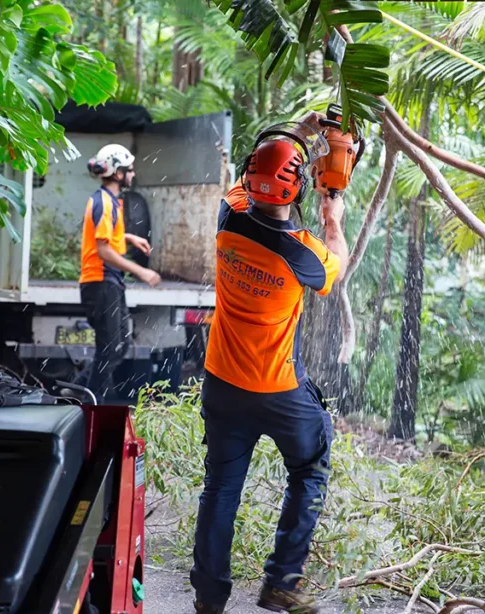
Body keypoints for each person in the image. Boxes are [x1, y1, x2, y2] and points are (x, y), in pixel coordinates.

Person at [191, 114, 348, 614]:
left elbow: (252, 178)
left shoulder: (229, 216)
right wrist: (332, 215)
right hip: (279, 392)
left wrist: (298, 132)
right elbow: (336, 263)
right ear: (298, 187)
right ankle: (282, 580)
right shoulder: (302, 255)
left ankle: (210, 597)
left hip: (222, 383)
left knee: (220, 487)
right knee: (309, 467)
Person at [78, 144, 161, 403]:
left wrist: (128, 237)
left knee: (119, 345)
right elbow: (103, 251)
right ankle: (91, 404)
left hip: (109, 283)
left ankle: (77, 391)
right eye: (130, 171)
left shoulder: (110, 201)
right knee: (111, 348)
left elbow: (105, 237)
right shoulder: (104, 202)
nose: (133, 175)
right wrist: (141, 271)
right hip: (100, 283)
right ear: (117, 173)